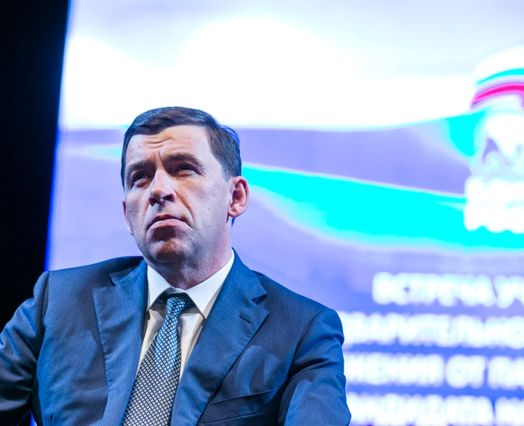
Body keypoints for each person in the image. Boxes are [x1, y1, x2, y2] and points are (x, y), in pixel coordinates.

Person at [0, 107, 350, 425]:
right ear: (127, 214)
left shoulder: (302, 330)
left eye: (184, 169)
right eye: (140, 177)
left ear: (236, 197)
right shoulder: (58, 302)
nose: (158, 190)